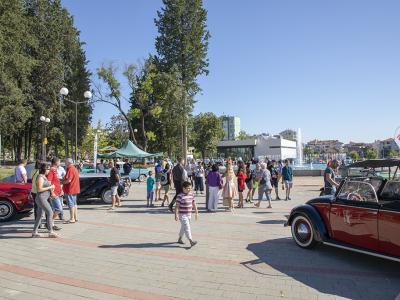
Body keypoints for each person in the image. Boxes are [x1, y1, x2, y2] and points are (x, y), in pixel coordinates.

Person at [32, 163, 58, 238]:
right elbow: (39, 189)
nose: (49, 170)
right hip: (41, 198)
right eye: (48, 169)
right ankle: (51, 232)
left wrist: (50, 190)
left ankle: (34, 232)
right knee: (50, 212)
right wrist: (50, 187)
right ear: (45, 169)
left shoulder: (44, 176)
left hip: (43, 198)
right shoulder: (40, 177)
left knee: (39, 215)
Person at [175, 181, 198, 247]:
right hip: (182, 215)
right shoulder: (180, 196)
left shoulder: (191, 194)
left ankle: (179, 239)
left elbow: (194, 203)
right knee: (187, 227)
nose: (189, 190)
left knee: (184, 227)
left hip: (189, 214)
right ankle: (191, 241)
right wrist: (176, 215)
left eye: (190, 188)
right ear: (183, 188)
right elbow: (177, 206)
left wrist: (196, 212)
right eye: (187, 188)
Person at [62, 158, 80, 223]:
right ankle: (75, 217)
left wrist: (62, 182)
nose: (65, 163)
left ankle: (72, 218)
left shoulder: (70, 169)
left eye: (65, 162)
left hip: (70, 189)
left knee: (71, 204)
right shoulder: (74, 168)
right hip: (75, 188)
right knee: (74, 203)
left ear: (68, 163)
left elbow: (68, 180)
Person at [47, 157, 64, 222]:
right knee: (58, 209)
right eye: (59, 162)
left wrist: (61, 190)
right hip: (54, 193)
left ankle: (51, 224)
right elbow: (49, 182)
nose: (60, 163)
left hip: (57, 192)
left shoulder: (55, 170)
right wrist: (52, 192)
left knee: (55, 209)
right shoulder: (51, 170)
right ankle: (49, 222)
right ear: (56, 162)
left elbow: (57, 181)